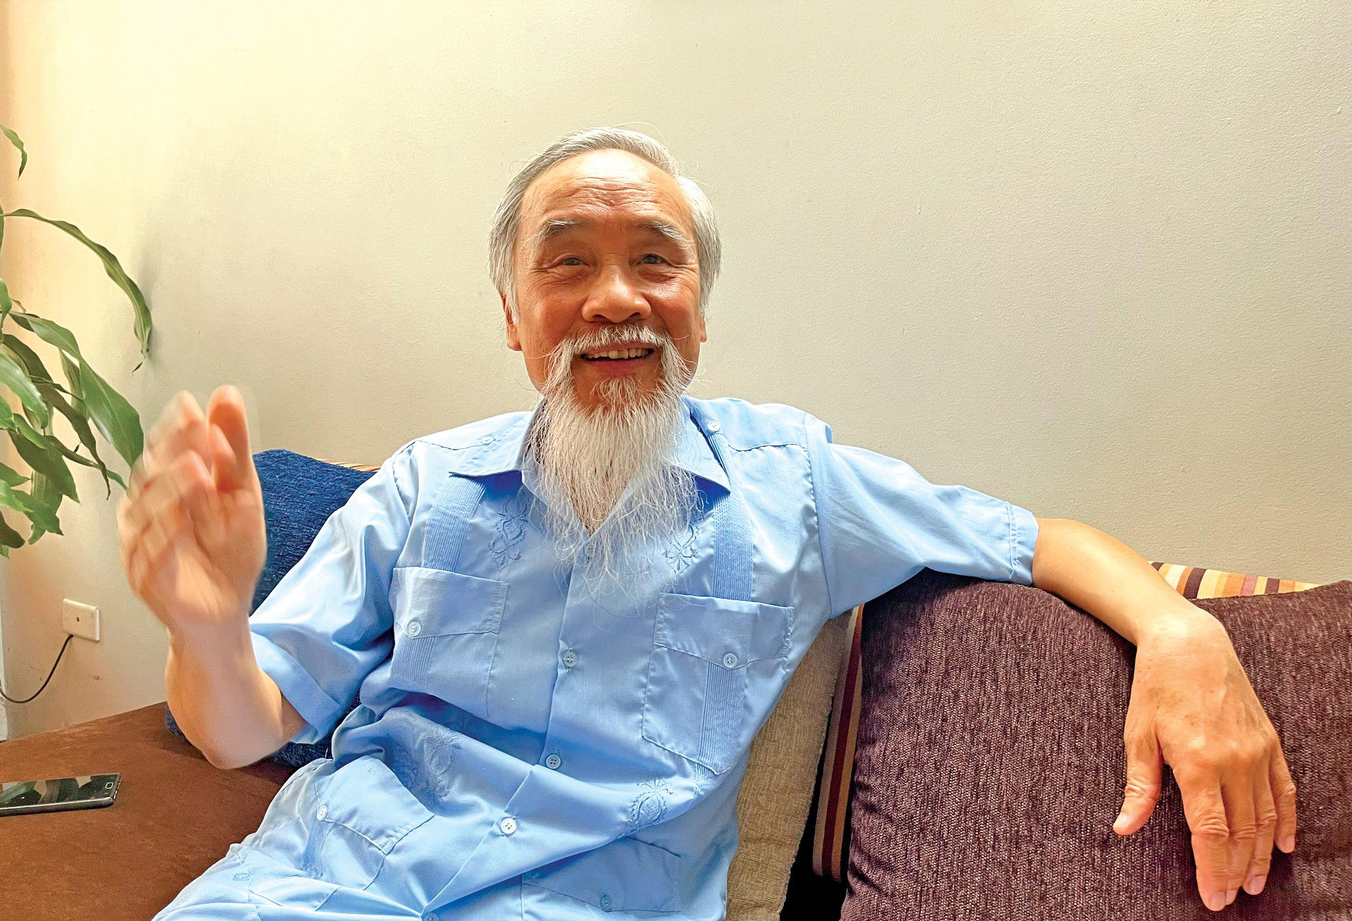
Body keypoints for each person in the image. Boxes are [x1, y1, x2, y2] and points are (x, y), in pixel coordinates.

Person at [119, 128, 1296, 920]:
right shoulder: (423, 487)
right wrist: (205, 627)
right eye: (566, 263)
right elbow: (237, 730)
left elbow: (1036, 540)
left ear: (696, 311)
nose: (614, 297)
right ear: (513, 316)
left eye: (654, 260)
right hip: (319, 885)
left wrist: (1181, 631)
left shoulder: (797, 486)